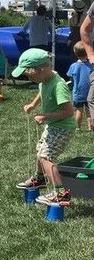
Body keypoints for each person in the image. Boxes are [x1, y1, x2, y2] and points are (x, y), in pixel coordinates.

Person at [12, 48, 75, 205]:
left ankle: (61, 193)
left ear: (41, 69)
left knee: (47, 157)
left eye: (31, 76)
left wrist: (45, 116)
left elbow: (68, 112)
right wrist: (33, 104)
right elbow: (41, 91)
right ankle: (39, 179)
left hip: (63, 127)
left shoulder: (58, 85)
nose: (31, 79)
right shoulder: (44, 80)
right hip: (53, 126)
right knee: (40, 151)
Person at [66, 41, 93, 131]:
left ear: (75, 52)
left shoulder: (73, 66)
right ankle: (90, 127)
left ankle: (78, 127)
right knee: (89, 112)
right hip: (90, 93)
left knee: (79, 110)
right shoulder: (91, 66)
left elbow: (70, 77)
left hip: (78, 93)